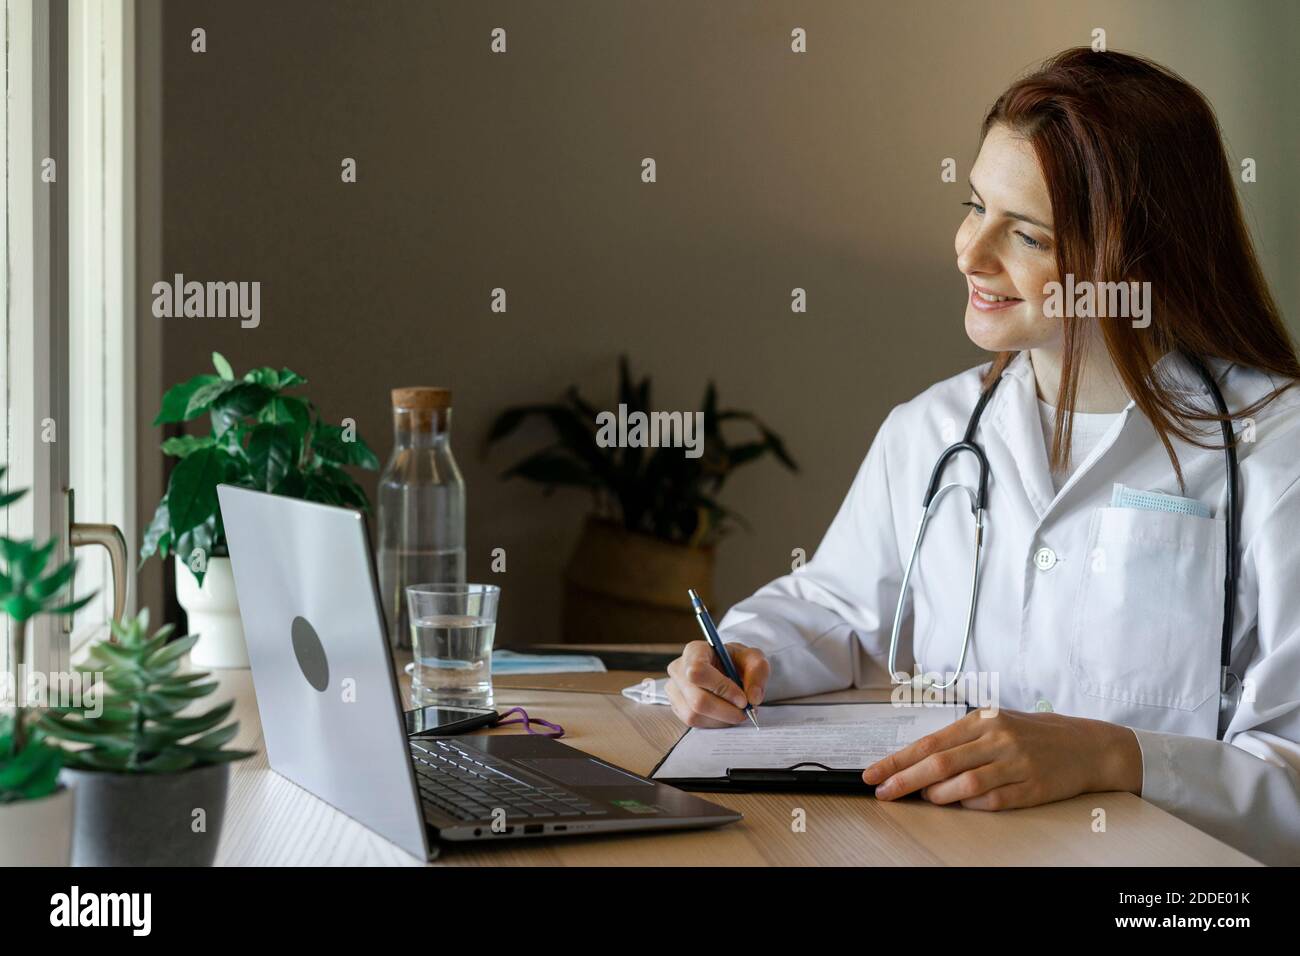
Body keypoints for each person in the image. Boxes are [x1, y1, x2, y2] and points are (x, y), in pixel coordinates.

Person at [665, 48, 1300, 866]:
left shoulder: (1276, 449)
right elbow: (838, 605)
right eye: (975, 206)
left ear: (1137, 258)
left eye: (1026, 234)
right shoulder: (932, 429)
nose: (971, 252)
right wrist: (743, 654)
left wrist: (1113, 756)